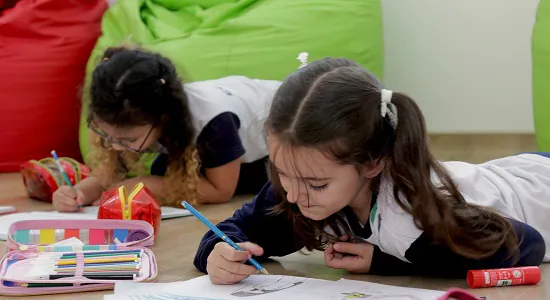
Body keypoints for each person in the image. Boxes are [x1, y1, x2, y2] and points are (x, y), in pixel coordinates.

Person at [193, 57, 548, 285]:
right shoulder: (302, 185)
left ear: (373, 163)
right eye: (282, 172)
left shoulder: (411, 215)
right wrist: (217, 252)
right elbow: (238, 229)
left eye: (316, 184)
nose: (295, 194)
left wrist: (390, 262)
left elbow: (525, 245)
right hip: (516, 172)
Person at [52, 47, 281, 211]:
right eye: (105, 135)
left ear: (163, 119)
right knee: (164, 172)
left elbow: (221, 191)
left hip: (280, 145)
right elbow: (113, 171)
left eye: (125, 139)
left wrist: (146, 184)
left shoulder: (216, 122)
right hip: (203, 141)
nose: (113, 145)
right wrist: (80, 192)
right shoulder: (129, 121)